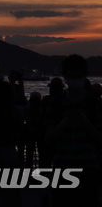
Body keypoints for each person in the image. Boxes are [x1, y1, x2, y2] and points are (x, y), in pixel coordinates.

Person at [45, 54, 102, 207]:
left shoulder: (94, 104)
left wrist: (86, 123)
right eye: (71, 75)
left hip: (88, 168)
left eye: (78, 76)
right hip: (61, 168)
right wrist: (64, 124)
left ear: (85, 76)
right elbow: (48, 139)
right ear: (64, 76)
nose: (75, 80)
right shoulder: (55, 104)